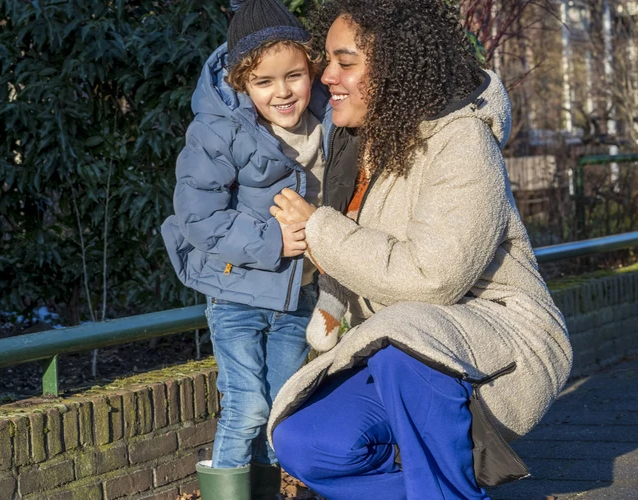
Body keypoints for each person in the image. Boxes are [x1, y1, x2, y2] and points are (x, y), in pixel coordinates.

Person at [266, 0, 574, 498]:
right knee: (303, 441)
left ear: (394, 68)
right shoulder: (358, 144)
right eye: (327, 60)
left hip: (501, 341)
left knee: (399, 341)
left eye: (346, 62)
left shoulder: (464, 141)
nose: (326, 76)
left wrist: (319, 228)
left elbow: (435, 277)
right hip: (404, 345)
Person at [159, 1, 334, 498]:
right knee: (247, 404)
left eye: (294, 76)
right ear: (240, 82)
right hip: (236, 294)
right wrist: (272, 241)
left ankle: (268, 491)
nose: (282, 92)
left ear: (311, 68)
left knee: (281, 406)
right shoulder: (217, 129)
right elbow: (198, 216)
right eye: (264, 82)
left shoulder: (331, 120)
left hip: (297, 298)